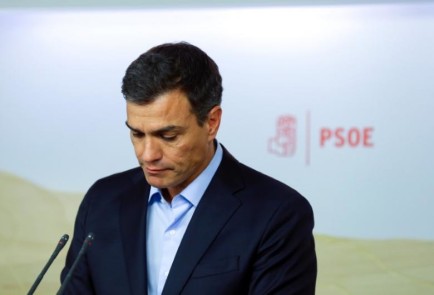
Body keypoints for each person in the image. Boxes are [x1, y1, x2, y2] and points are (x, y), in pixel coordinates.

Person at [61, 42, 317, 295]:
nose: (147, 155)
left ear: (211, 122)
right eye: (137, 134)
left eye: (168, 136)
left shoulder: (278, 214)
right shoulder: (102, 200)